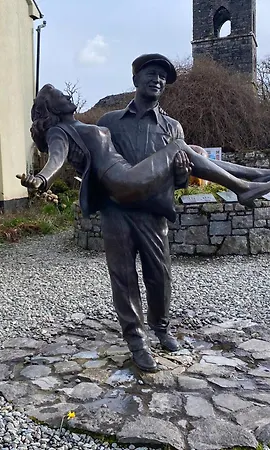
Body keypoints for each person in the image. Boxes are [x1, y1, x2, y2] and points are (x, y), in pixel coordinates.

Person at [18, 81, 270, 372]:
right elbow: (56, 158)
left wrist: (181, 172)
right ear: (51, 107)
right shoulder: (64, 130)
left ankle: (254, 177)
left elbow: (178, 174)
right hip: (121, 186)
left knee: (160, 273)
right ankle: (137, 342)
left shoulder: (163, 125)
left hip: (141, 194)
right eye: (60, 95)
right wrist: (42, 179)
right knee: (124, 278)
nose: (67, 95)